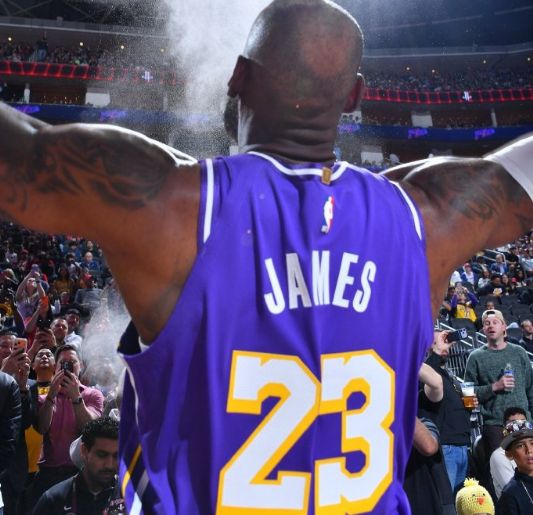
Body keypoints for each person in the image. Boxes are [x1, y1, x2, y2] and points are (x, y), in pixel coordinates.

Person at [0, 0, 532, 512]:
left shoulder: (171, 204)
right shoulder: (426, 218)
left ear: (237, 76)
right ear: (354, 95)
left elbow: (22, 156)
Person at [30, 344, 104, 506]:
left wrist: (76, 397)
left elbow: (91, 429)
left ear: (81, 366)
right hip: (48, 472)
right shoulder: (45, 397)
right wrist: (51, 396)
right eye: (63, 363)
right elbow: (41, 428)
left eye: (72, 363)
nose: (67, 368)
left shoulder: (93, 395)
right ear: (55, 368)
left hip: (81, 473)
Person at [465, 310, 533, 459]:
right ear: (483, 329)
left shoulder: (519, 352)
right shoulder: (475, 357)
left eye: (495, 322)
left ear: (504, 327)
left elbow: (531, 390)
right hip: (495, 425)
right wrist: (495, 387)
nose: (490, 326)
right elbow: (468, 394)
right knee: (501, 467)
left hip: (523, 422)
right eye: (486, 323)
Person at [32, 416, 124, 515]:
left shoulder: (131, 495)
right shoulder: (54, 500)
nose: (109, 465)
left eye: (116, 456)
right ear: (84, 451)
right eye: (102, 455)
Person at [426, 330, 475, 494]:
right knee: (446, 499)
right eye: (438, 342)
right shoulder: (427, 372)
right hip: (446, 446)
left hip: (461, 444)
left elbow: (453, 410)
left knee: (459, 499)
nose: (445, 345)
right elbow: (425, 375)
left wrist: (468, 406)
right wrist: (438, 351)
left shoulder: (447, 375)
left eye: (445, 342)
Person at [496, 419, 533, 514]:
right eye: (520, 446)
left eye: (532, 443)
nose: (529, 450)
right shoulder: (510, 495)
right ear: (509, 454)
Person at [490, 407, 527, 499]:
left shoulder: (530, 450)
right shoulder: (499, 455)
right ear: (504, 428)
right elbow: (515, 492)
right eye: (513, 424)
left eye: (523, 423)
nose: (519, 427)